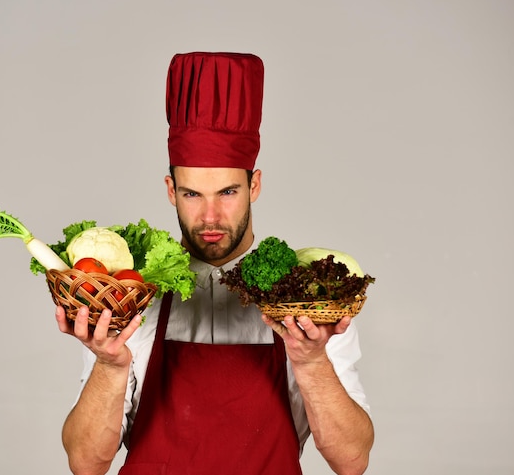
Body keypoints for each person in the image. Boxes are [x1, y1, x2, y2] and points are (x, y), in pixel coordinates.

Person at [55, 51, 374, 475]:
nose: (209, 217)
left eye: (226, 192)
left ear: (254, 184)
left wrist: (312, 362)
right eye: (192, 194)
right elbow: (84, 464)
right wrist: (110, 366)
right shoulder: (132, 296)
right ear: (170, 189)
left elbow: (352, 461)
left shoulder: (304, 302)